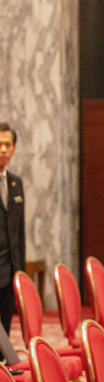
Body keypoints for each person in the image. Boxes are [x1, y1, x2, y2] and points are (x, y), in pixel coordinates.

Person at [0, 123, 26, 334]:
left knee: (5, 333)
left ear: (14, 148)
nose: (3, 150)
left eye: (8, 145)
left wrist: (21, 274)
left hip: (10, 273)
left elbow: (20, 232)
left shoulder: (16, 183)